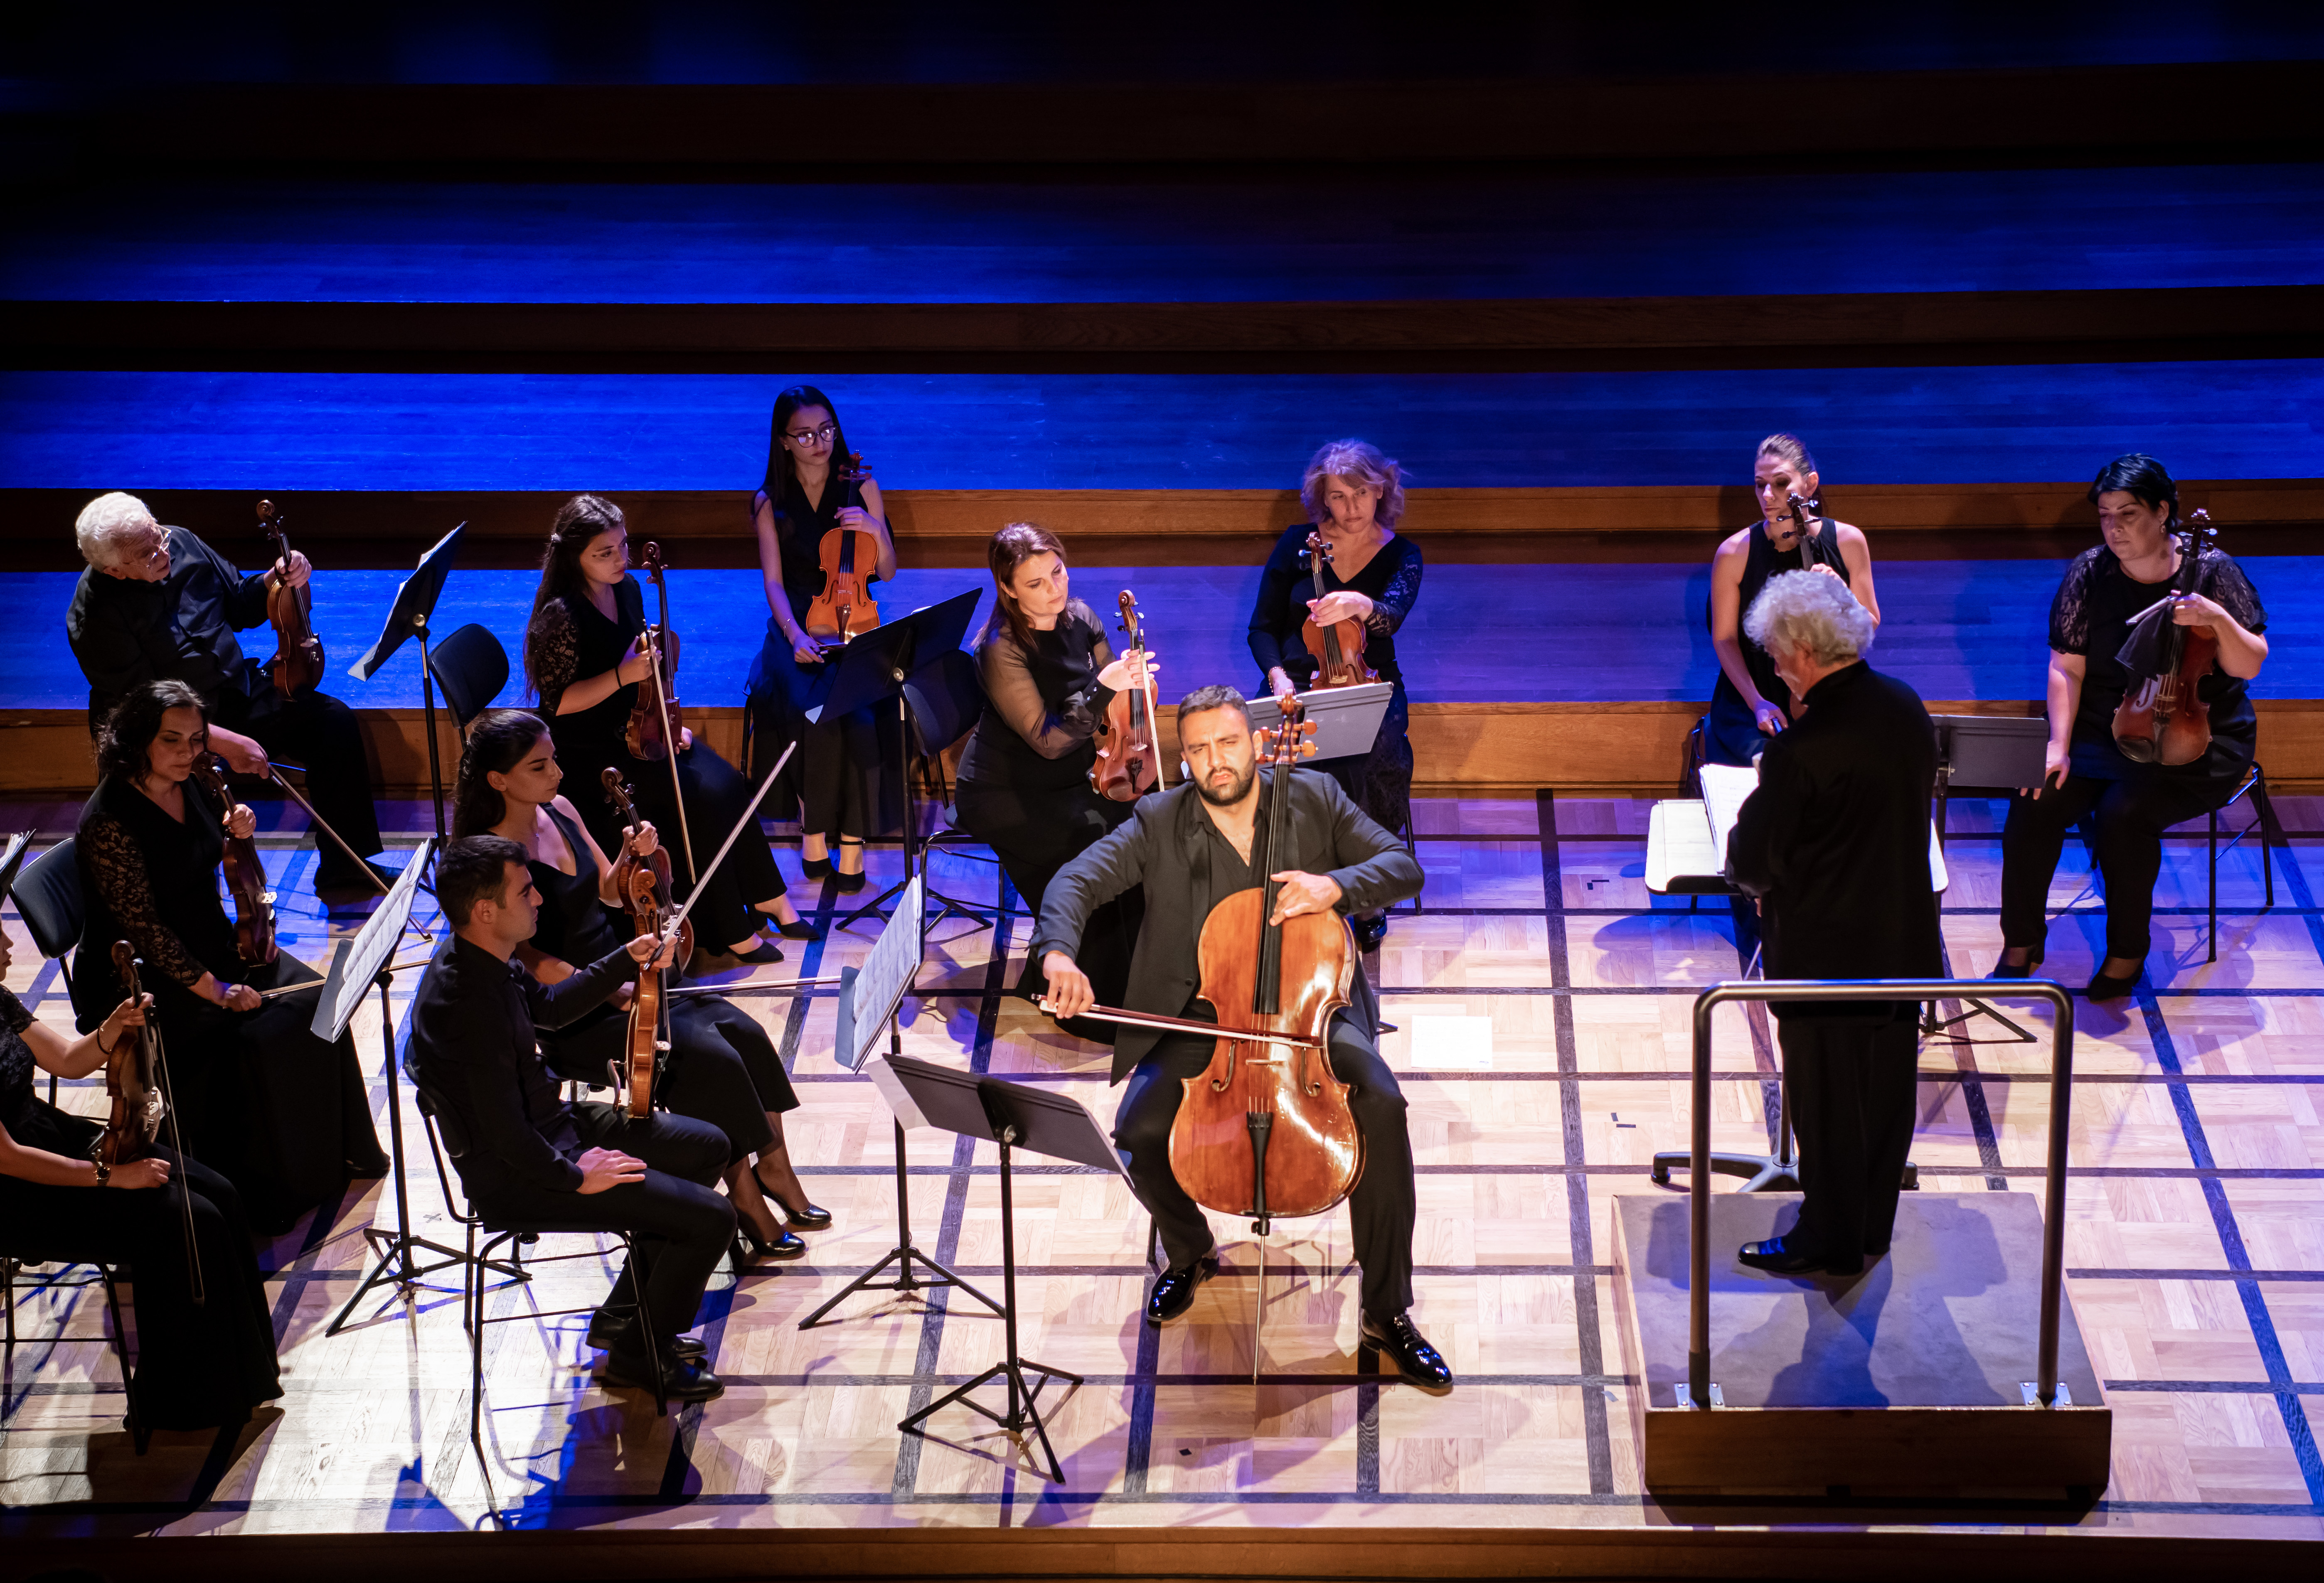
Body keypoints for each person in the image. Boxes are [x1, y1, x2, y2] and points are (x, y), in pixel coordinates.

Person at [1037, 684, 1452, 1393]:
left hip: (1311, 1012)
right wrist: (1056, 954)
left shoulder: (1313, 798)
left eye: (1227, 744)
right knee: (1139, 1131)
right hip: (1205, 1013)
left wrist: (1335, 887)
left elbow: (1402, 866)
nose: (1213, 761)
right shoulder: (1157, 820)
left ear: (1256, 744)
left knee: (1381, 1109)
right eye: (1196, 749)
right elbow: (1077, 882)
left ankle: (1387, 1310)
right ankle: (1191, 1251)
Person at [451, 708, 831, 1258]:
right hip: (574, 1008)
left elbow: (608, 892)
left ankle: (775, 1166)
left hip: (625, 973)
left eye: (554, 757)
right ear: (498, 779)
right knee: (709, 1059)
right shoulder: (489, 858)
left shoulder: (556, 808)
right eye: (540, 765)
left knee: (742, 1031)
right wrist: (617, 989)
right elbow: (530, 960)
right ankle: (746, 1199)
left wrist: (632, 858)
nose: (557, 772)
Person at [406, 836, 736, 1402]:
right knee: (711, 1218)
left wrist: (625, 958)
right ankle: (640, 1353)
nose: (539, 899)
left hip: (550, 1129)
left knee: (707, 1146)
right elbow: (507, 1135)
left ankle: (627, 1318)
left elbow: (551, 1010)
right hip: (525, 1173)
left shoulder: (482, 955)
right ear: (486, 910)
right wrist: (579, 1176)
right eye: (526, 889)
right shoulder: (467, 1006)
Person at [72, 680, 387, 1233]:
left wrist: (235, 832)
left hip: (215, 942)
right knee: (254, 1038)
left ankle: (335, 1157)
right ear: (138, 739)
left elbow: (220, 867)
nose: (188, 752)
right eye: (172, 740)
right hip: (137, 975)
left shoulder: (195, 780)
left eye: (196, 740)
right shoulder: (109, 820)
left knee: (315, 1000)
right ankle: (265, 1197)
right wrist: (215, 989)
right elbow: (145, 929)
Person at [1726, 570, 1940, 1277]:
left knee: (1824, 1104)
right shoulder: (1906, 707)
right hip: (1904, 943)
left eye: (1778, 655)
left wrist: (1756, 876)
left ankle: (1828, 1237)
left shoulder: (1798, 751)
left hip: (1823, 958)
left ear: (1804, 652)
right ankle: (1871, 1225)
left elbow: (1753, 860)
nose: (1776, 667)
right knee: (1885, 1099)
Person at [1998, 454, 2270, 998]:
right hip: (2107, 727)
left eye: (2128, 514)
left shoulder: (2213, 572)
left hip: (2201, 735)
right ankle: (2022, 940)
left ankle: (2127, 951)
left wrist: (2218, 620)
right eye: (2105, 515)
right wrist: (2057, 744)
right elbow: (2066, 666)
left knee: (2124, 815)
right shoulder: (2091, 573)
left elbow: (2249, 663)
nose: (2114, 528)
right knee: (2036, 801)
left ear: (2163, 512)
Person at [0, 930, 283, 1432]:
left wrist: (112, 1029)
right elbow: (9, 1160)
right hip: (19, 1192)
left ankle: (246, 1378)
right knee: (181, 1220)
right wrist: (111, 1177)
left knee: (219, 1192)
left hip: (49, 1137)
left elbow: (67, 1060)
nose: (7, 943)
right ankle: (186, 1404)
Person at [523, 493, 819, 964]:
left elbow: (645, 667)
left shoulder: (628, 590)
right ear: (573, 557)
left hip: (638, 731)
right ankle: (729, 927)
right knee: (700, 798)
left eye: (623, 546)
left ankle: (769, 899)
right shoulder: (559, 617)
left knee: (725, 782)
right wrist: (625, 675)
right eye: (606, 553)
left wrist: (661, 719)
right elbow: (557, 705)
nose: (621, 559)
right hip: (592, 752)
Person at [65, 492, 388, 896]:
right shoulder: (94, 614)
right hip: (165, 733)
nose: (163, 551)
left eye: (158, 536)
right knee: (182, 813)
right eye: (147, 554)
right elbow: (145, 707)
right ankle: (204, 915)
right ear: (114, 571)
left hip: (233, 689)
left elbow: (239, 604)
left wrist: (276, 578)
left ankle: (347, 871)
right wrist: (223, 742)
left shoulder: (179, 541)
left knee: (332, 723)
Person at [953, 524, 1154, 1016]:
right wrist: (1104, 688)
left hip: (1076, 778)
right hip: (1008, 794)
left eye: (1058, 572)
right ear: (1008, 589)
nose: (1055, 590)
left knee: (1140, 842)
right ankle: (1092, 1001)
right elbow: (1048, 742)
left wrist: (1134, 683)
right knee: (1094, 868)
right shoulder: (1000, 648)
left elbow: (1116, 706)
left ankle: (1145, 983)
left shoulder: (1082, 618)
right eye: (1036, 583)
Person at [1246, 440, 1424, 951]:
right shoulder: (1297, 545)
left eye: (1360, 494)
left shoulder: (1402, 555)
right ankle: (1290, 876)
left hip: (1367, 677)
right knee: (1278, 763)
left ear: (1381, 489)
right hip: (1295, 681)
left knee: (1379, 759)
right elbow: (1261, 627)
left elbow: (1391, 616)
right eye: (1337, 497)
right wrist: (1278, 676)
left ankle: (1367, 891)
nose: (1348, 509)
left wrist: (1359, 602)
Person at [744, 386, 904, 891]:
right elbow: (772, 581)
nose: (821, 442)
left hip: (855, 623)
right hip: (797, 626)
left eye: (827, 430)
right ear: (785, 441)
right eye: (807, 434)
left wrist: (874, 527)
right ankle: (814, 833)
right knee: (817, 714)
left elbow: (890, 572)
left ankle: (852, 842)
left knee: (858, 715)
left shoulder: (861, 485)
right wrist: (792, 634)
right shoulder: (770, 502)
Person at [1703, 434, 1882, 768]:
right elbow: (1725, 638)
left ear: (1810, 485)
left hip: (1827, 698)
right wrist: (1757, 702)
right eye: (1760, 485)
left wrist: (1841, 596)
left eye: (1781, 483)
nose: (1768, 496)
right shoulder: (1733, 553)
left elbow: (1869, 622)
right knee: (1771, 765)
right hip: (1753, 699)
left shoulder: (1849, 541)